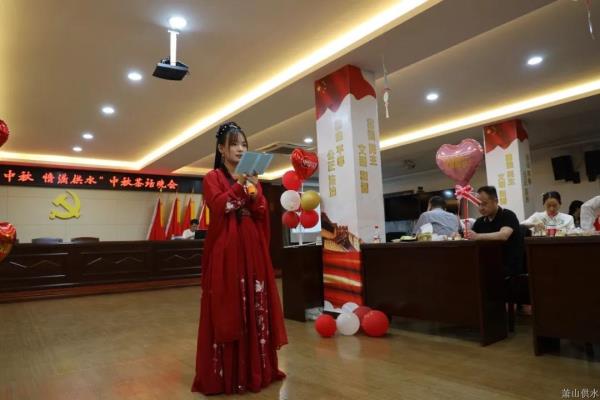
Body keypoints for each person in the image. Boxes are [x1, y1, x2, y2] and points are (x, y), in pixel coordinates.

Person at [191, 122, 287, 395]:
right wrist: (242, 184)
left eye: (244, 144)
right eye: (234, 144)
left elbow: (261, 211)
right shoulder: (212, 177)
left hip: (252, 246)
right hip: (226, 248)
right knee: (229, 302)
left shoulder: (253, 179)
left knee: (255, 300)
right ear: (221, 149)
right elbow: (220, 205)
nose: (241, 149)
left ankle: (258, 369)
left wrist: (254, 189)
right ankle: (228, 375)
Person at [465, 186, 524, 276]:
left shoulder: (507, 215)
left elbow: (503, 235)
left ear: (496, 201)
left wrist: (477, 236)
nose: (481, 208)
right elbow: (471, 237)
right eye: (478, 204)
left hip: (508, 266)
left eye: (484, 204)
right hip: (488, 264)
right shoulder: (480, 221)